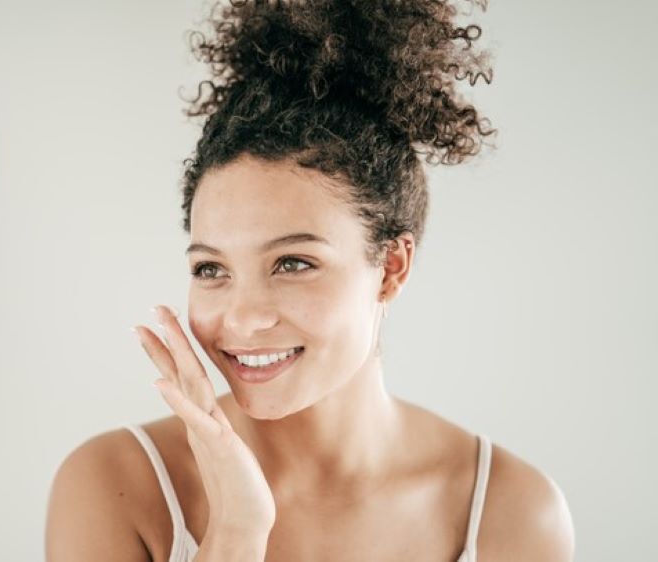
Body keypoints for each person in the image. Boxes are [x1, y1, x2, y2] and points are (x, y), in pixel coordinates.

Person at [46, 0, 575, 560]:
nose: (243, 319)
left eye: (293, 263)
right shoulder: (116, 485)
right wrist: (236, 531)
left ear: (391, 267)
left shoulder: (513, 512)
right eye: (211, 269)